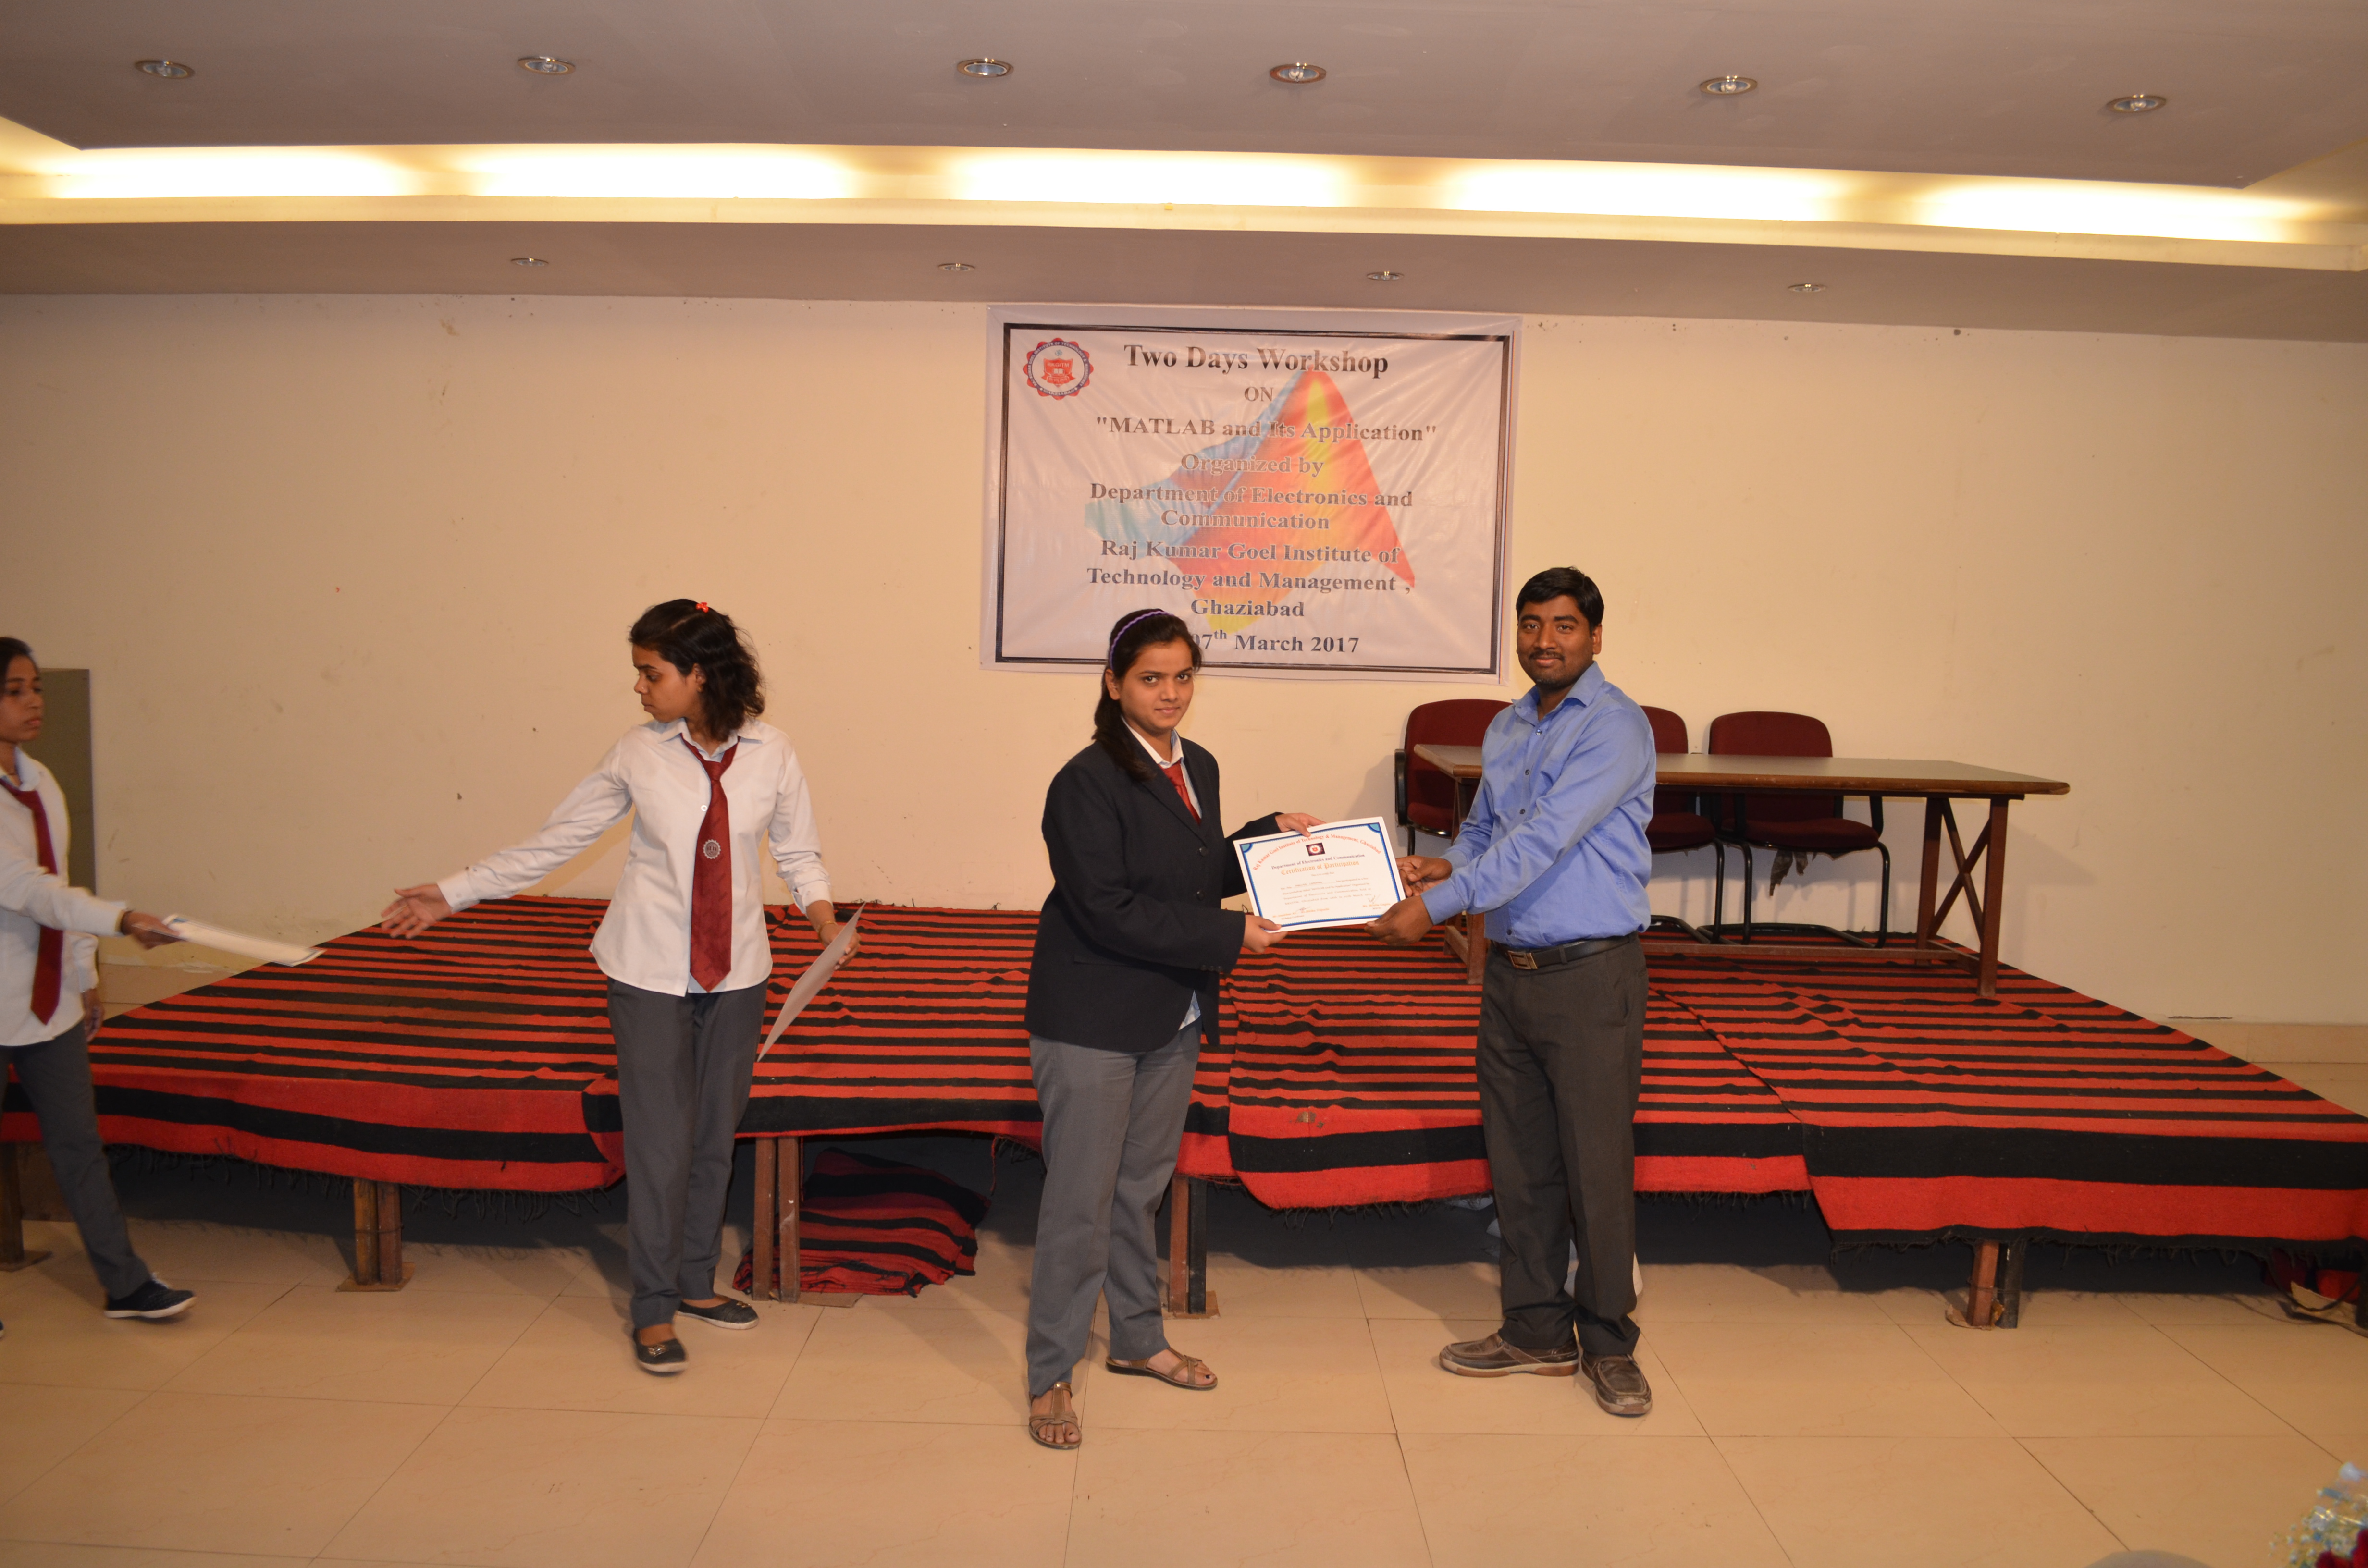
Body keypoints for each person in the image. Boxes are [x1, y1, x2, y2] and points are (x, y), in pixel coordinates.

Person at [380, 600, 845, 1375]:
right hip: (648, 972)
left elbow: (799, 854)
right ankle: (653, 1308)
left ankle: (695, 1282)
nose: (639, 687)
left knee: (712, 1139)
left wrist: (825, 919)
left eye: (651, 673)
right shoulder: (637, 753)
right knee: (661, 1145)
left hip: (737, 973)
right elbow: (557, 841)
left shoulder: (772, 751)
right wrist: (453, 892)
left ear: (701, 675)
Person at [1022, 608, 1318, 1449]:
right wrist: (1232, 936)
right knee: (1080, 1203)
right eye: (1151, 678)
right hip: (1093, 1016)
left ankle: (1136, 1340)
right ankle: (1050, 1374)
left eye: (1184, 677)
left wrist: (1265, 842)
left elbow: (1191, 872)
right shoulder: (1084, 782)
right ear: (1114, 684)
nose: (1171, 694)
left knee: (1139, 1190)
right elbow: (1108, 909)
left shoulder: (1199, 764)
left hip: (1174, 1011)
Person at [1369, 567, 1659, 1416]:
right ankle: (1535, 1329)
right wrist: (1445, 867)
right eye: (1531, 624)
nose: (1544, 641)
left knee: (1596, 1169)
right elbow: (1491, 832)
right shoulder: (1506, 726)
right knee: (1522, 1164)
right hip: (1513, 975)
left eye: (1564, 626)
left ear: (1596, 637)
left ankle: (1609, 1342)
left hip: (1592, 976)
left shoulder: (1615, 727)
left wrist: (1436, 908)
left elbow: (1542, 844)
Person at [0, 637, 193, 1331]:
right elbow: (28, 890)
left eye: (36, 688)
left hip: (46, 1000)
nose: (34, 702)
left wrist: (84, 974)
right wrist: (123, 919)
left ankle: (126, 1285)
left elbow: (63, 883)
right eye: (15, 691)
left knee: (79, 1145)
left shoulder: (42, 781)